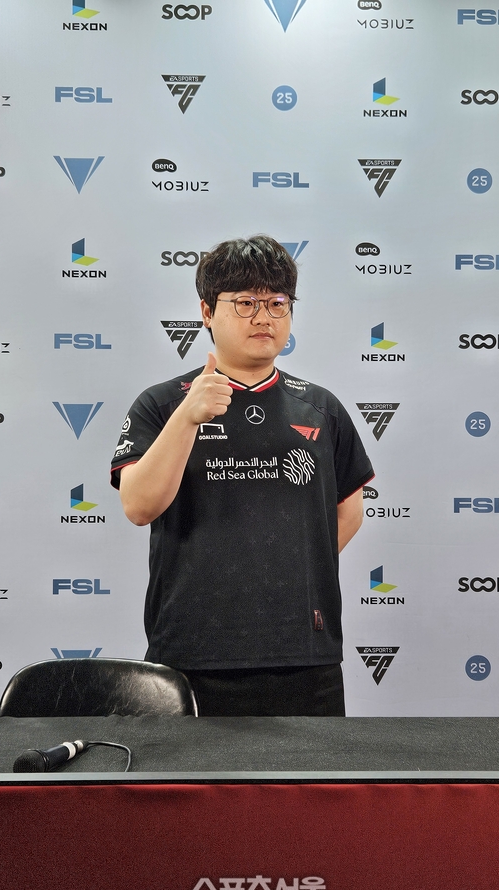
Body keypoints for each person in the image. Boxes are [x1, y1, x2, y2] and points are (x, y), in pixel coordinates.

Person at [110, 235, 374, 716]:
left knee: (312, 770)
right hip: (192, 653)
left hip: (304, 654)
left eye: (277, 303)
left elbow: (348, 513)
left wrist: (280, 567)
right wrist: (189, 417)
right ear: (207, 312)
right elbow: (139, 506)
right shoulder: (163, 404)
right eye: (246, 303)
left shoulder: (321, 407)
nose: (263, 317)